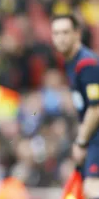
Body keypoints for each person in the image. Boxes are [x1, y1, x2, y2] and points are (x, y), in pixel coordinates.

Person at [51, 15, 99, 199]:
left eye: (65, 32)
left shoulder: (86, 64)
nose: (60, 37)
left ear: (77, 34)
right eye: (56, 33)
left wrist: (81, 141)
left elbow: (96, 108)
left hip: (96, 137)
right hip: (92, 135)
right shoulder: (70, 61)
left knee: (92, 189)